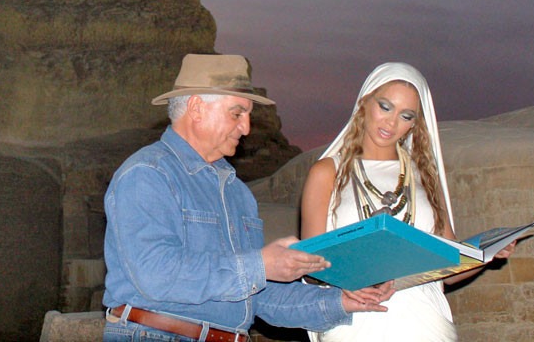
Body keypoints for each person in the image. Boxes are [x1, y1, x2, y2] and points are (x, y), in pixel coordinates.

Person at [103, 54, 393, 342]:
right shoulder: (148, 174)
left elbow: (260, 297)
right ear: (196, 108)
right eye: (237, 113)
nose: (246, 128)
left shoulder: (237, 193)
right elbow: (157, 274)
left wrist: (341, 301)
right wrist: (261, 265)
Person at [300, 62, 516, 341]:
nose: (391, 123)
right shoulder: (327, 172)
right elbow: (309, 264)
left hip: (424, 321)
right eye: (385, 107)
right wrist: (347, 282)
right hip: (357, 319)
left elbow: (448, 270)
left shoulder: (424, 176)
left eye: (405, 115)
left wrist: (487, 253)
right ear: (365, 102)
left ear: (414, 123)